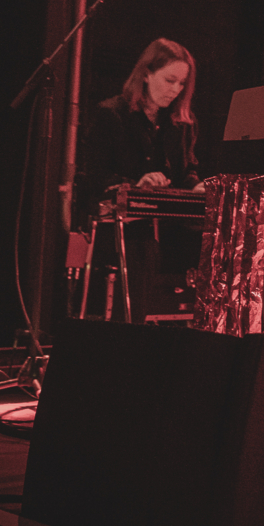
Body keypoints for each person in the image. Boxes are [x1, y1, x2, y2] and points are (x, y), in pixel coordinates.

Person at [78, 38, 202, 320]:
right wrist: (135, 185)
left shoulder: (180, 123)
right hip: (121, 229)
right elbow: (96, 175)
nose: (175, 90)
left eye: (182, 84)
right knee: (140, 253)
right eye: (170, 80)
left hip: (163, 229)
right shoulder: (111, 115)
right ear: (146, 73)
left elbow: (185, 173)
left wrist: (197, 186)